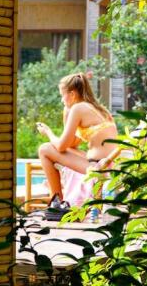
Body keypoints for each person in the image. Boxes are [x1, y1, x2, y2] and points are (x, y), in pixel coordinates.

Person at [36, 72, 118, 209]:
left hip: (98, 166)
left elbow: (61, 147)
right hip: (107, 163)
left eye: (62, 95)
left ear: (72, 94)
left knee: (44, 149)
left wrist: (48, 132)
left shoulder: (78, 108)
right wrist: (66, 115)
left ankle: (56, 202)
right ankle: (57, 202)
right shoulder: (97, 108)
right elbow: (71, 145)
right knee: (52, 148)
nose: (62, 100)